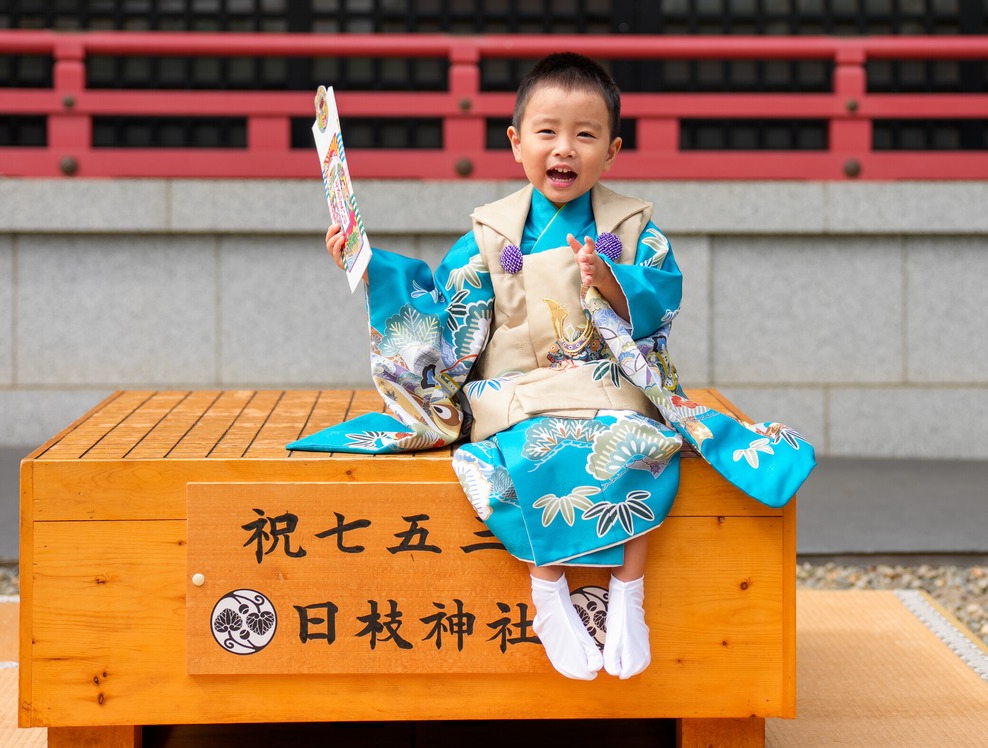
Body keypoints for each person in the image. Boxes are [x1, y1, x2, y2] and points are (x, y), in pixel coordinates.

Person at [295, 52, 814, 681]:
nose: (563, 148)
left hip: (608, 385)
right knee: (533, 449)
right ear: (516, 143)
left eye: (585, 134)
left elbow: (661, 296)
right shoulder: (488, 234)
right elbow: (439, 315)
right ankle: (548, 593)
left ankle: (628, 594)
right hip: (516, 393)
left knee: (641, 442)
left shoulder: (633, 227)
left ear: (613, 151)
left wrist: (613, 282)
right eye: (547, 131)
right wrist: (369, 265)